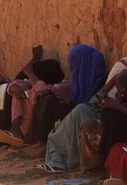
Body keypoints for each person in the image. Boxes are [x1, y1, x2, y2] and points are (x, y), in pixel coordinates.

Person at [36, 45, 110, 173]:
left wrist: (73, 100)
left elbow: (93, 100)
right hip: (83, 108)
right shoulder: (82, 75)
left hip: (92, 113)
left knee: (77, 111)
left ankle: (59, 160)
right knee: (55, 103)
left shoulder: (99, 79)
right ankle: (51, 152)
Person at [0, 46, 68, 148]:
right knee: (19, 93)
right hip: (26, 127)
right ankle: (15, 131)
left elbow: (42, 91)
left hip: (37, 129)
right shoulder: (33, 83)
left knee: (37, 94)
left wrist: (31, 74)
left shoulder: (62, 86)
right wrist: (15, 87)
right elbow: (17, 81)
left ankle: (18, 134)